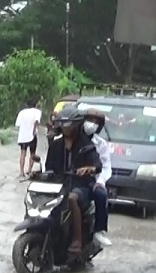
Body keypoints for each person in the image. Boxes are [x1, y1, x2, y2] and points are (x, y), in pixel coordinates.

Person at [44, 109, 102, 254]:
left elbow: (98, 166)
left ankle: (77, 240)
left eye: (68, 125)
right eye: (63, 125)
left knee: (71, 197)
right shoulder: (55, 145)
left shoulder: (87, 145)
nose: (65, 128)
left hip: (81, 186)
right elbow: (49, 168)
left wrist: (88, 169)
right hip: (59, 185)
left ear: (76, 125)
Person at [81, 107, 113, 247]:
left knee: (101, 194)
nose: (91, 124)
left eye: (95, 122)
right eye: (88, 120)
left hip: (90, 182)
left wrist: (100, 182)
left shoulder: (101, 144)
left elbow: (105, 166)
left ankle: (99, 230)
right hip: (68, 179)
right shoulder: (71, 140)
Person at [15, 99, 43, 177]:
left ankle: (21, 171)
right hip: (32, 136)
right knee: (32, 154)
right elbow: (37, 121)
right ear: (36, 105)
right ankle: (29, 170)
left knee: (23, 153)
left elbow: (17, 124)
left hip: (23, 136)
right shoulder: (37, 112)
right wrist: (34, 130)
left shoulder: (22, 112)